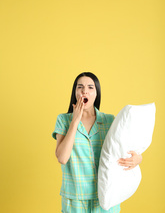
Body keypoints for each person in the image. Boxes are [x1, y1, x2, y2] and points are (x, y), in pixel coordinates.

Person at [52, 72, 142, 213]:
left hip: (106, 196)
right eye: (80, 87)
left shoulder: (109, 121)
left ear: (96, 93)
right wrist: (75, 120)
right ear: (75, 92)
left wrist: (138, 159)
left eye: (90, 87)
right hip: (75, 199)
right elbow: (62, 158)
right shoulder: (64, 120)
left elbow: (126, 150)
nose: (84, 91)